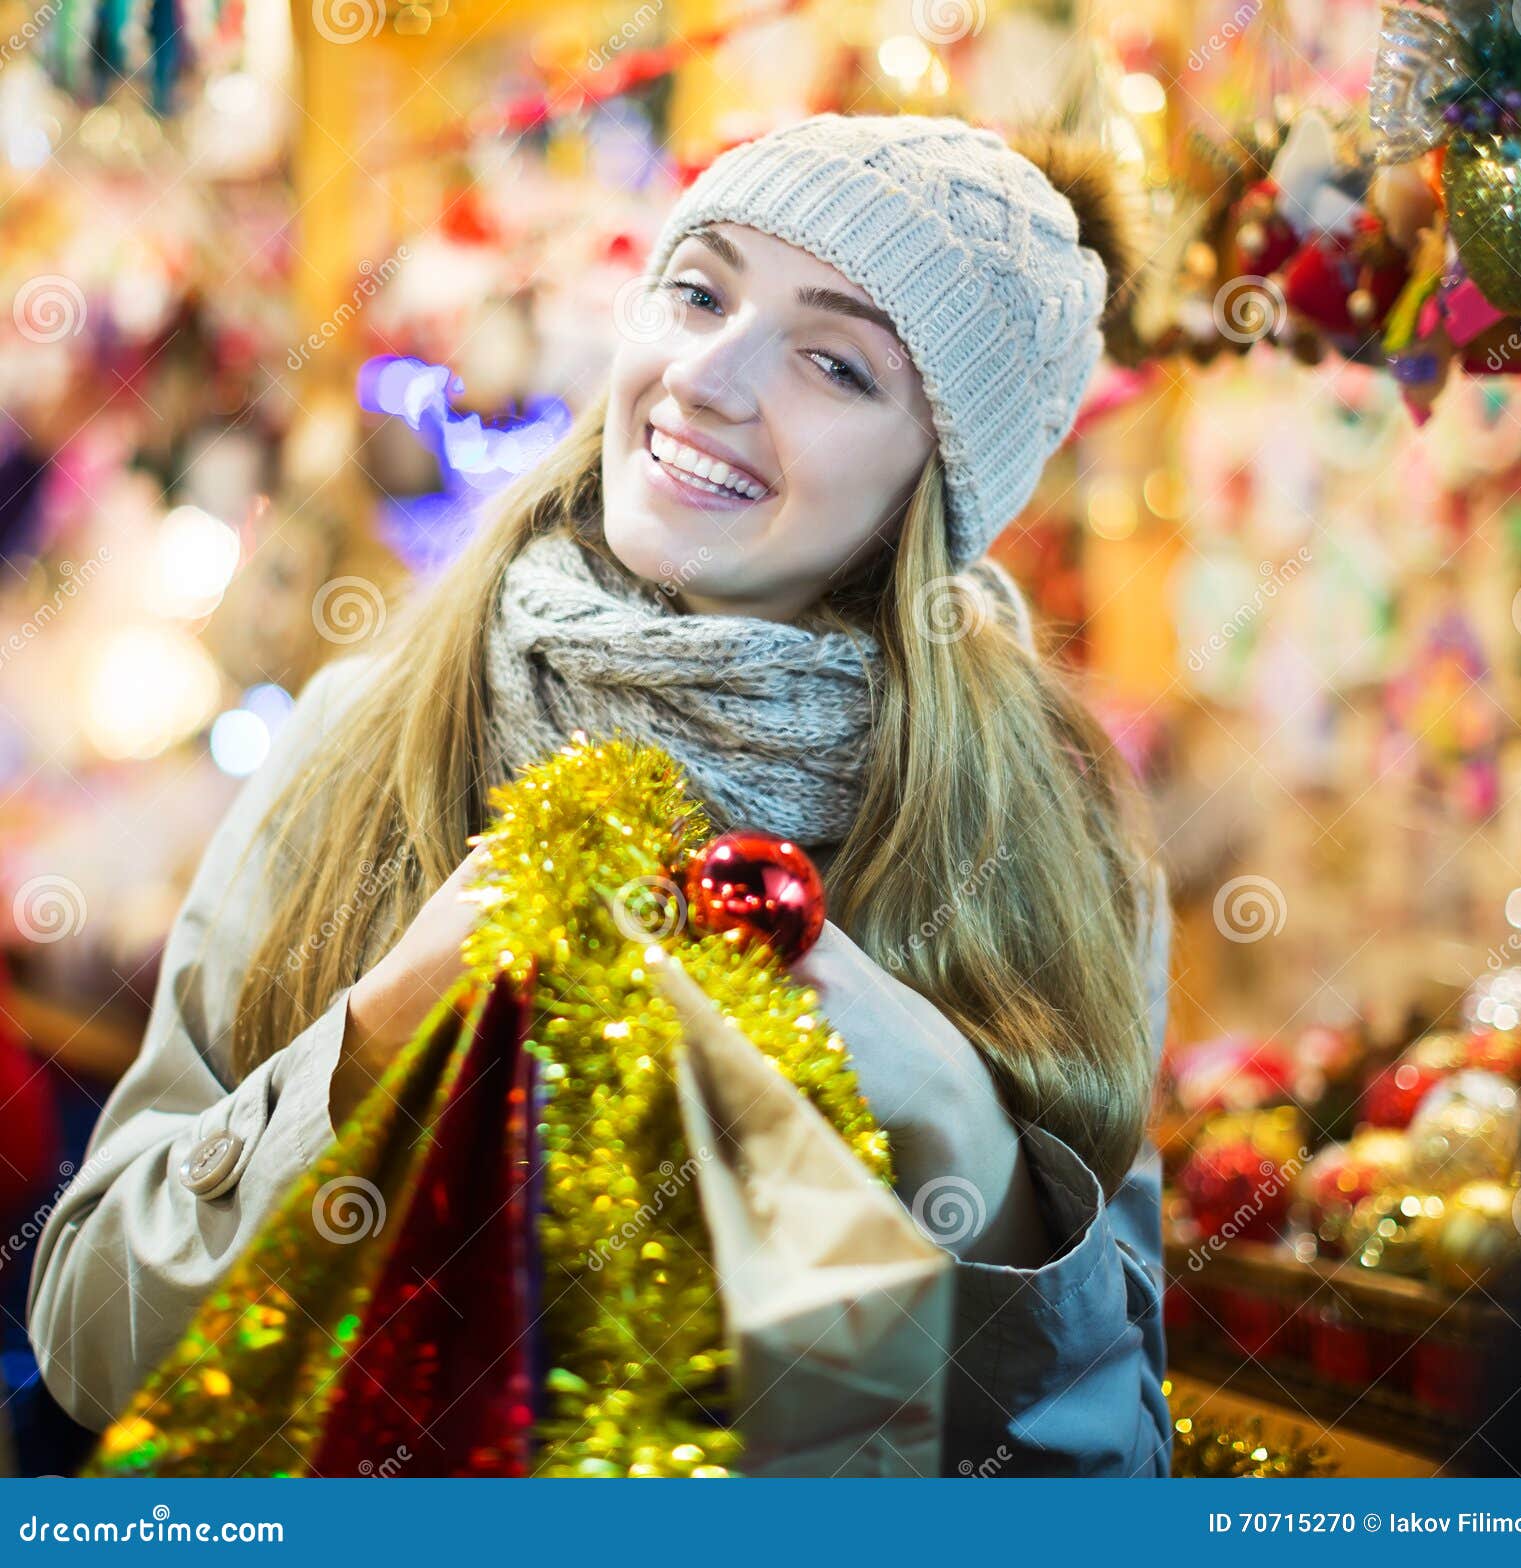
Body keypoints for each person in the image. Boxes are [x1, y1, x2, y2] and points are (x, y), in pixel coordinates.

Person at [28, 112, 1173, 1476]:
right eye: (698, 290)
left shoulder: (1043, 828)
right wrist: (371, 1042)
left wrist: (967, 1151)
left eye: (835, 361)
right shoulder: (369, 728)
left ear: (941, 476)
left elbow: (1110, 1476)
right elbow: (92, 1340)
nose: (708, 374)